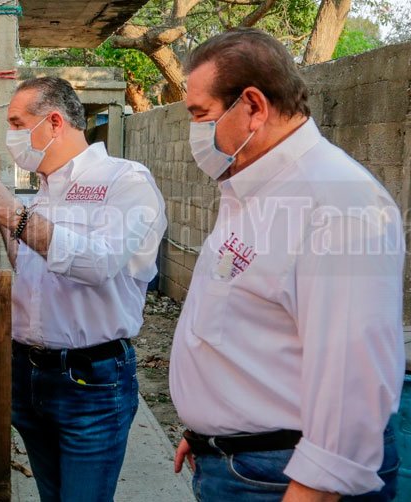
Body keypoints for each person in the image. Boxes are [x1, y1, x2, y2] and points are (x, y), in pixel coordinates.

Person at [169, 28, 404, 500]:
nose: (195, 131)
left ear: (253, 107)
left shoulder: (336, 201)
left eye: (200, 114)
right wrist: (209, 428)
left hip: (284, 477)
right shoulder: (252, 190)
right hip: (244, 462)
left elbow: (353, 374)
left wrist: (313, 487)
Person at [0, 77, 167, 501]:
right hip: (29, 375)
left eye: (17, 123)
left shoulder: (125, 181)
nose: (11, 135)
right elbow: (33, 268)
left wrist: (12, 214)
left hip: (90, 381)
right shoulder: (42, 192)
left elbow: (99, 263)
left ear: (54, 122)